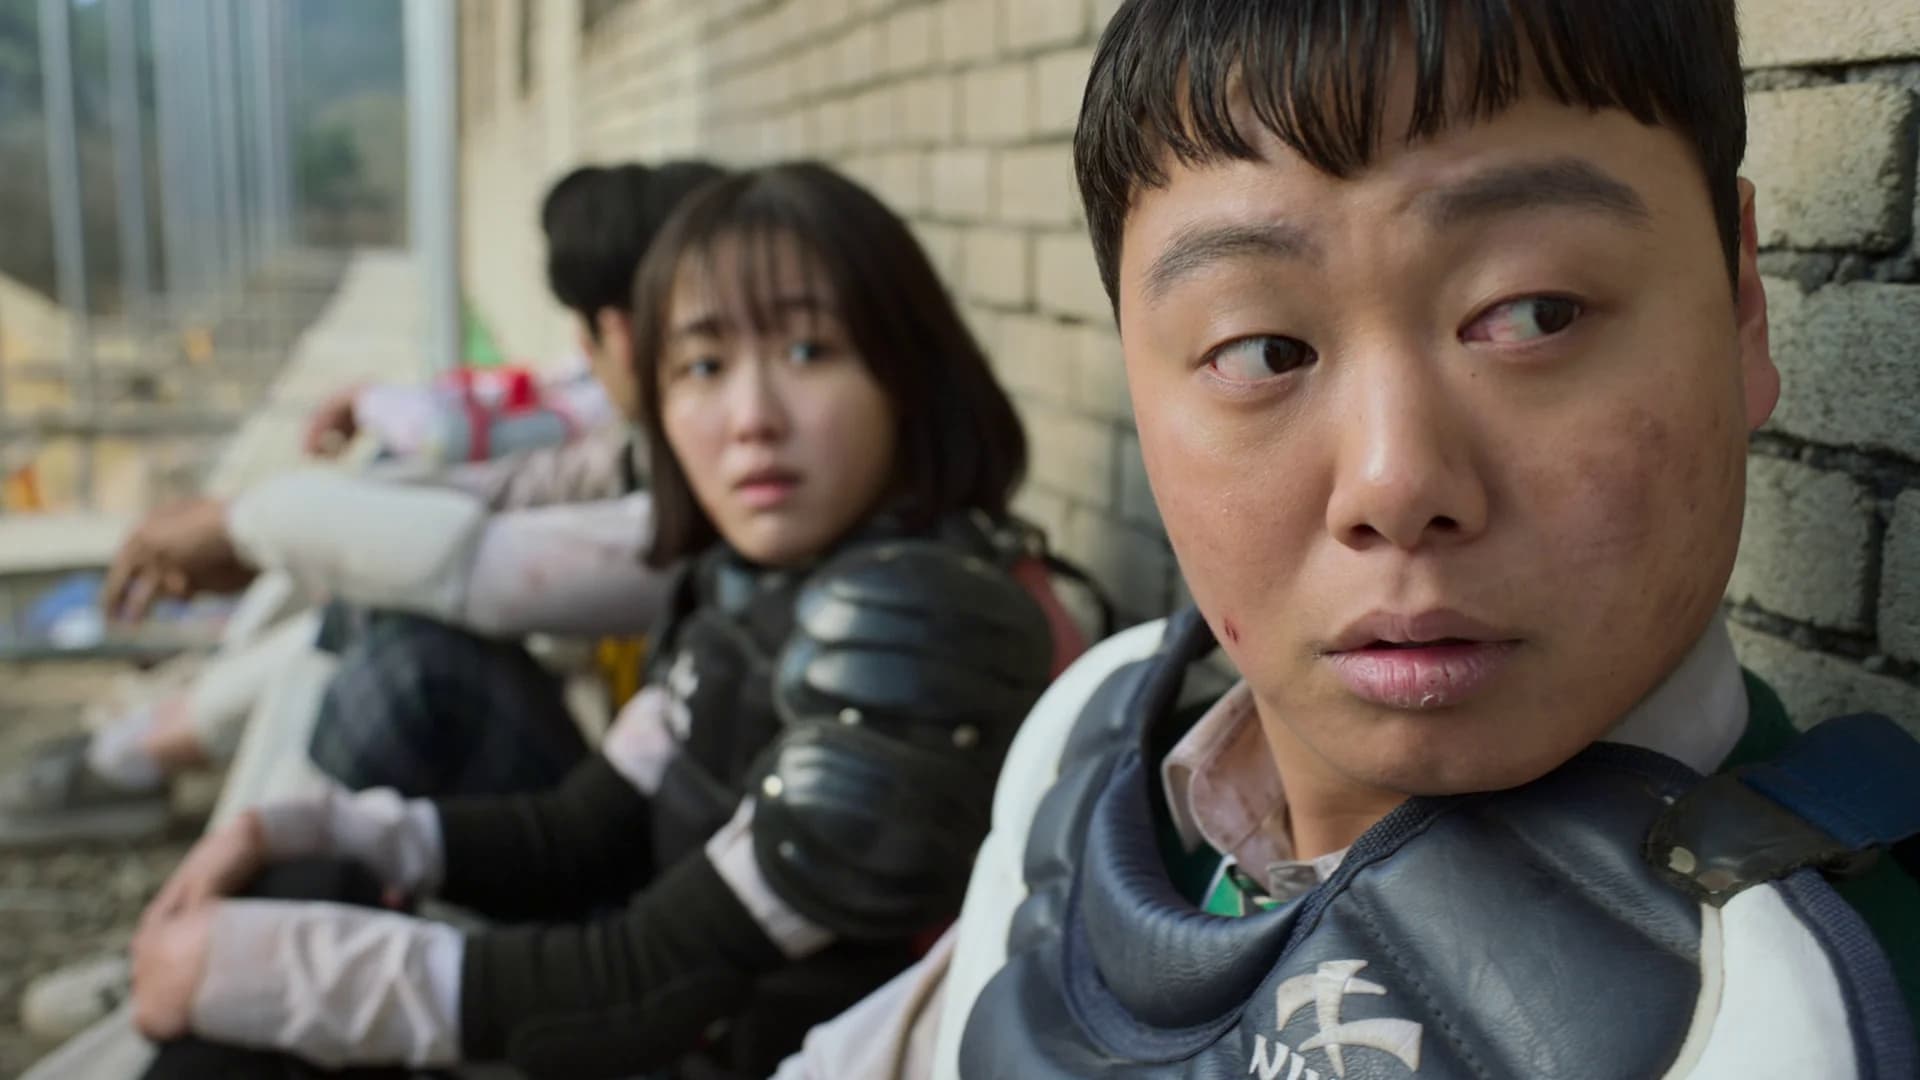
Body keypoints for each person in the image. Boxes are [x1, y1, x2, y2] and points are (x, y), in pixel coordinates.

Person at [776, 2, 1920, 1077]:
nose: (1395, 482)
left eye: (1534, 315)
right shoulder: (1088, 757)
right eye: (1263, 351)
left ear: (1741, 303)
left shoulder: (1830, 1001)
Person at [124, 162, 1077, 1080]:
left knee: (251, 1007)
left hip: (712, 1042)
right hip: (676, 1022)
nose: (750, 416)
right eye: (703, 365)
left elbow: (638, 986)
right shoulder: (751, 579)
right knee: (303, 886)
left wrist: (266, 971)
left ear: (907, 372)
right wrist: (308, 827)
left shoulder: (920, 637)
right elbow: (581, 831)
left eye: (807, 351)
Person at [0, 161, 724, 845]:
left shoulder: (716, 491)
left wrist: (246, 525)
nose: (749, 409)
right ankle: (208, 861)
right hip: (630, 815)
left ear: (618, 332)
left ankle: (219, 876)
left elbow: (486, 567)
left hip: (652, 862)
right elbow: (504, 492)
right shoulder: (644, 448)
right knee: (375, 576)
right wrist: (254, 521)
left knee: (405, 658)